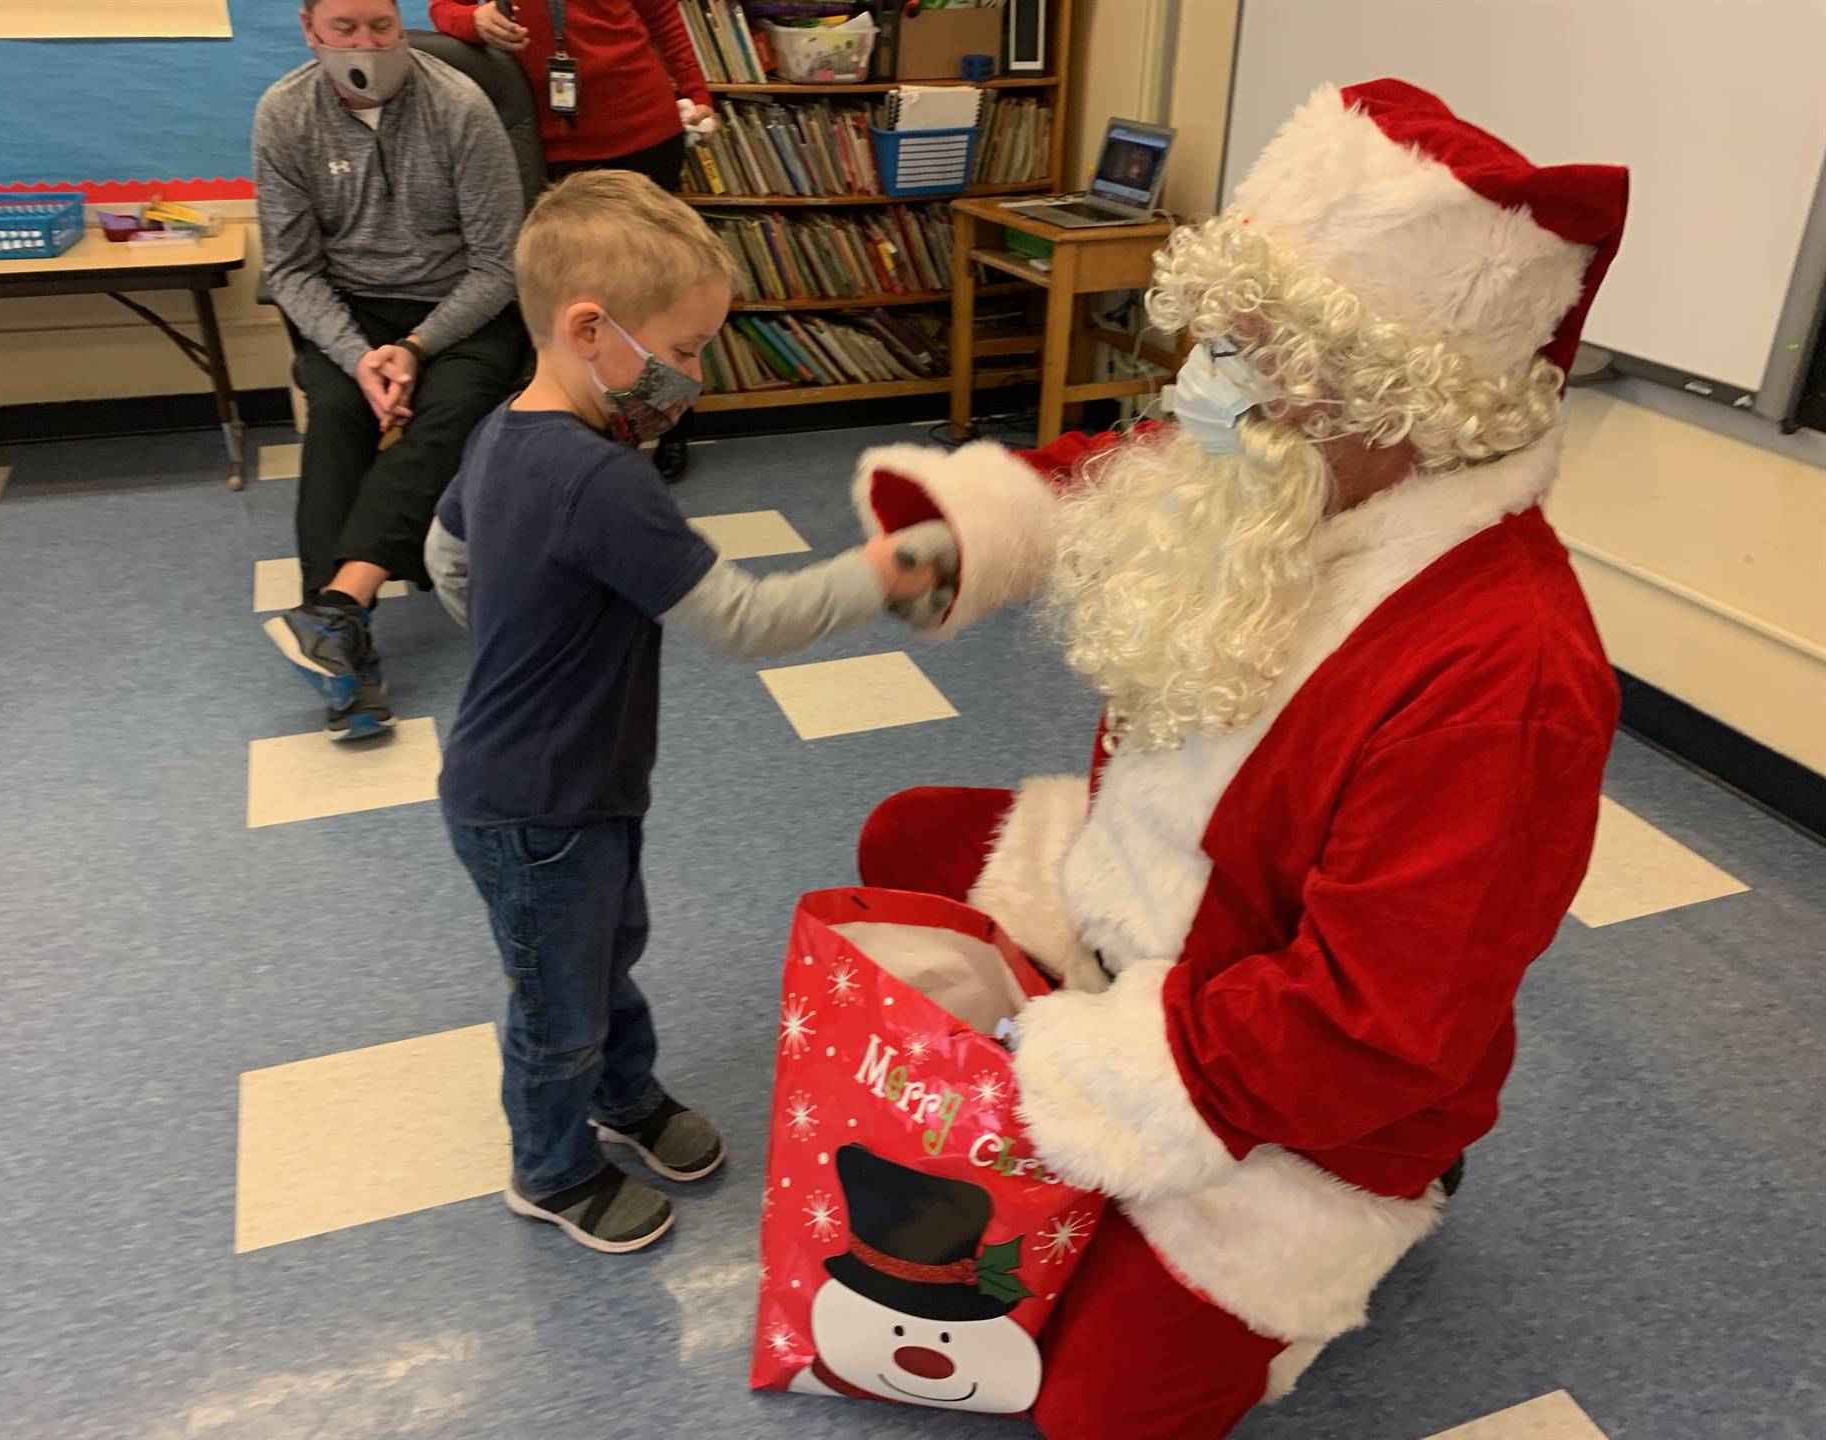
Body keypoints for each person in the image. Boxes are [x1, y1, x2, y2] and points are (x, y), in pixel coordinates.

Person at [848, 79, 1630, 1437]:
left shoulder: (1506, 678)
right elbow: (1122, 468)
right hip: (1146, 909)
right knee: (908, 838)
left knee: (1087, 1412)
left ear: (1388, 393)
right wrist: (962, 529)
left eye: (1252, 351)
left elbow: (1372, 1031)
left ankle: (1365, 1226)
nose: (1204, 379)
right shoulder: (1287, 462)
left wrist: (1059, 1056)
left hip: (1305, 1104)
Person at [423, 171, 949, 1254]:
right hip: (536, 803)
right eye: (690, 345)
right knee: (555, 1004)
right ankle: (554, 1170)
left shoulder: (499, 433)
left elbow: (445, 555)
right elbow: (746, 620)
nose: (696, 373)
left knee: (608, 949)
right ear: (589, 328)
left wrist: (514, 639)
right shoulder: (603, 482)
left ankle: (626, 1097)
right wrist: (880, 572)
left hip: (568, 780)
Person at [254, 0, 528, 740]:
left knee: (448, 410)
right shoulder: (284, 114)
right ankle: (342, 646)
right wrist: (359, 355)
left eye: (381, 24)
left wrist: (415, 348)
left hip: (459, 309)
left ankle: (336, 612)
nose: (366, 42)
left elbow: (499, 264)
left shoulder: (459, 104)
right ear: (311, 32)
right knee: (339, 413)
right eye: (345, 28)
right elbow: (291, 267)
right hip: (353, 313)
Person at [429, 0, 715, 481]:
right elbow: (442, 10)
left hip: (640, 133)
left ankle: (671, 424)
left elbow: (664, 15)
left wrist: (696, 91)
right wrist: (472, 22)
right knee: (567, 303)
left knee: (654, 296)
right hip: (541, 146)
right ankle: (583, 427)